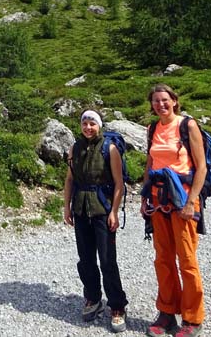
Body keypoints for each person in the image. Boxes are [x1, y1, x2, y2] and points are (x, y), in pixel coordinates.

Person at [141, 84, 206, 337]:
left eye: (165, 100)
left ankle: (193, 318)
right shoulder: (152, 129)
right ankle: (167, 313)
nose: (161, 105)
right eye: (156, 101)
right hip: (158, 201)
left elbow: (201, 168)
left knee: (187, 260)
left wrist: (192, 202)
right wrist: (144, 197)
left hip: (183, 202)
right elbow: (150, 164)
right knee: (163, 260)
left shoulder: (187, 126)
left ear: (174, 101)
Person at [64, 110, 128, 333]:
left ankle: (117, 306)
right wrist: (66, 207)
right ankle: (92, 298)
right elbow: (70, 179)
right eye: (85, 123)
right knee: (85, 258)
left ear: (99, 125)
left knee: (108, 260)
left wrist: (114, 212)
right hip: (81, 208)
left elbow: (119, 184)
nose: (88, 127)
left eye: (92, 123)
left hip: (102, 208)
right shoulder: (74, 148)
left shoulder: (109, 149)